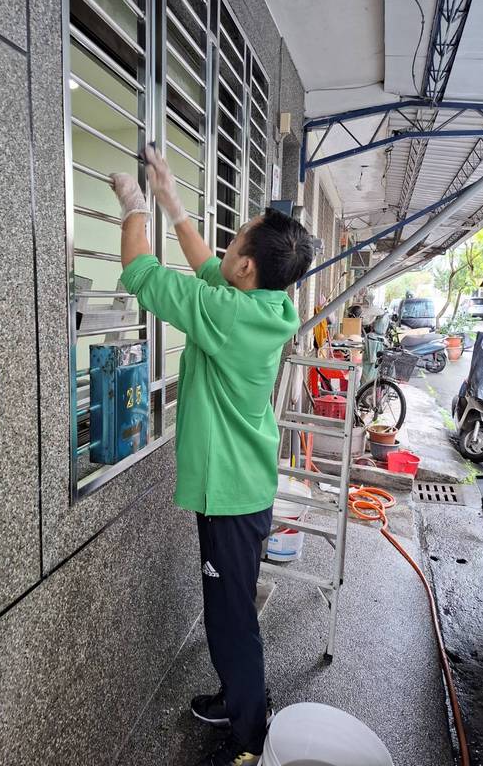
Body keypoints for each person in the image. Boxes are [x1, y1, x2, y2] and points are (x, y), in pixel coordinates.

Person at [110, 146, 314, 766]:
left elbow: (141, 275)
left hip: (228, 492)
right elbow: (208, 270)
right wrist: (172, 199)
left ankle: (251, 733)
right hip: (242, 484)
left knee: (230, 618)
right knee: (230, 604)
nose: (224, 245)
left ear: (247, 267)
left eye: (235, 241)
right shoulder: (267, 305)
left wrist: (134, 207)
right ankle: (237, 696)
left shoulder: (227, 313)